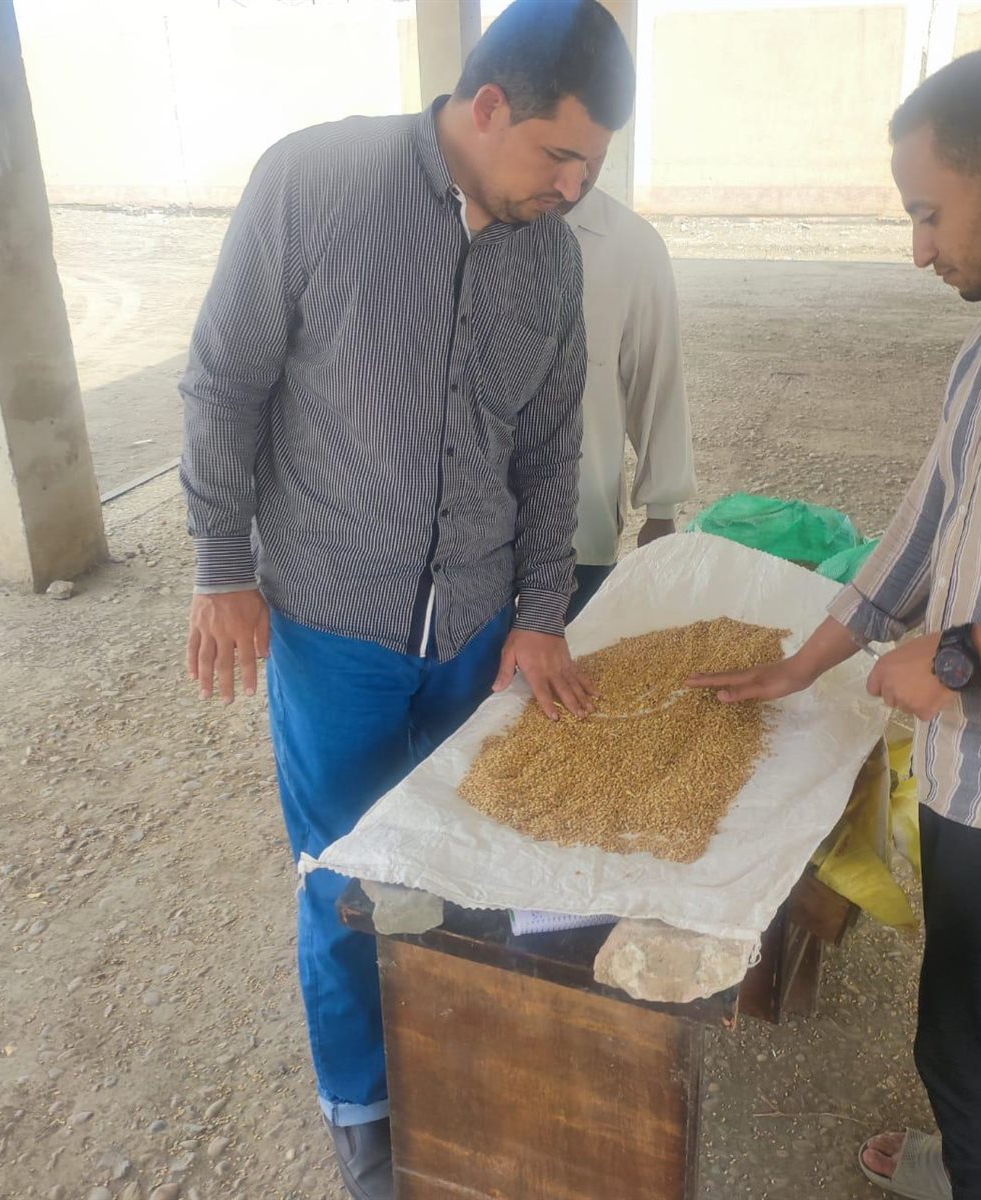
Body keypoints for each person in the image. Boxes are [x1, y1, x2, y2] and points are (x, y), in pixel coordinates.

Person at [177, 2, 635, 1195]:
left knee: (474, 865)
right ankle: (366, 1107)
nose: (573, 189)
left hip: (477, 631)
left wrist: (540, 610)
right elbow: (224, 382)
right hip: (334, 623)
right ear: (486, 107)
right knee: (348, 877)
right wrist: (222, 567)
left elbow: (549, 449)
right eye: (559, 155)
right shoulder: (314, 185)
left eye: (592, 167)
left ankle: (457, 1070)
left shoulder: (552, 258)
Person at [690, 48, 981, 1200]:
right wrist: (807, 660)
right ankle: (969, 1154)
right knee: (979, 1010)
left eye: (926, 213)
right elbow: (931, 518)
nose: (917, 249)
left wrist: (965, 654)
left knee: (976, 1045)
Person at [560, 179, 696, 621]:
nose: (573, 175)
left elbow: (657, 376)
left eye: (592, 155)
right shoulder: (475, 227)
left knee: (573, 649)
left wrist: (661, 509)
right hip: (474, 530)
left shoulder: (632, 244)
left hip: (582, 520)